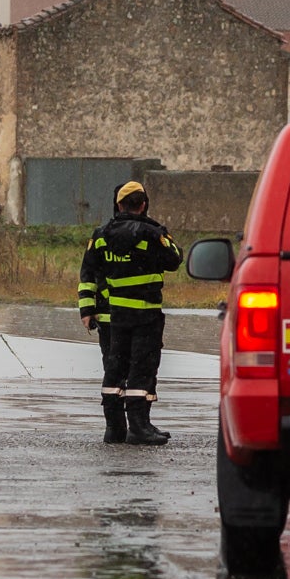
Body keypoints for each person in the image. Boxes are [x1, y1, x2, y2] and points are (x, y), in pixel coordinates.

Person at [77, 179, 182, 445]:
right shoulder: (150, 233)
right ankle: (138, 427)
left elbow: (88, 271)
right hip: (144, 316)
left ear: (118, 204)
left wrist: (87, 308)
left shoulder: (101, 236)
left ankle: (115, 428)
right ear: (144, 204)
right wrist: (161, 234)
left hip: (116, 316)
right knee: (141, 371)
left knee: (114, 369)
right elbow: (175, 259)